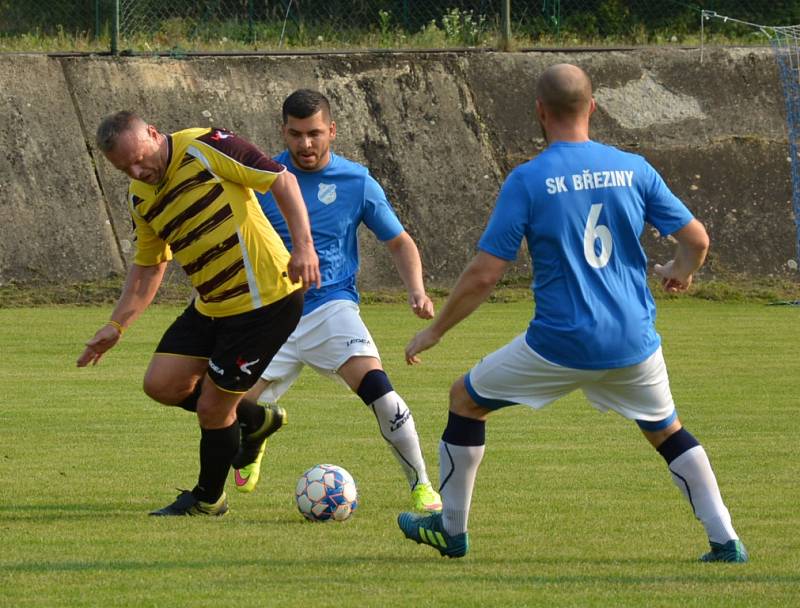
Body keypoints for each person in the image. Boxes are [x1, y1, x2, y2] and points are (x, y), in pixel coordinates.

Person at [397, 64, 748, 562]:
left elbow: (484, 274)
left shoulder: (529, 180)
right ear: (593, 108)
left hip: (560, 343)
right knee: (666, 430)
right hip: (633, 341)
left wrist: (435, 330)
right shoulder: (635, 168)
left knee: (464, 399)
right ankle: (726, 540)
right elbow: (698, 239)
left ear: (539, 112)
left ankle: (450, 530)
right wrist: (680, 269)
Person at [77, 111, 320, 516]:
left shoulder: (206, 145)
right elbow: (150, 265)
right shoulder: (140, 195)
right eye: (125, 169)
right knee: (162, 384)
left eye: (140, 158)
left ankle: (209, 499)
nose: (138, 171)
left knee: (212, 408)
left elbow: (282, 179)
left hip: (265, 302)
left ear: (154, 133)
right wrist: (116, 324)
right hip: (212, 305)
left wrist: (304, 247)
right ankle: (255, 419)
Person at [233, 89, 442, 512]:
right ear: (283, 132)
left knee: (382, 395)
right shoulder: (264, 177)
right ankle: (254, 440)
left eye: (314, 134)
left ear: (332, 130)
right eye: (295, 134)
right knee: (228, 408)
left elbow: (400, 242)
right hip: (272, 314)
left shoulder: (356, 181)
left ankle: (422, 485)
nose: (305, 144)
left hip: (332, 308)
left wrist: (416, 290)